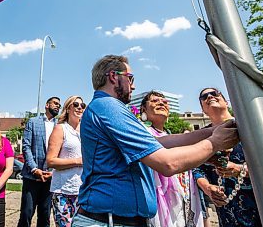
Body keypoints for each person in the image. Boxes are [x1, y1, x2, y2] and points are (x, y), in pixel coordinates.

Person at [73, 55, 239, 227]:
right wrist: (214, 142)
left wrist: (212, 131)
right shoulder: (108, 106)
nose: (134, 86)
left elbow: (161, 142)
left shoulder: (107, 107)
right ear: (114, 76)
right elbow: (167, 163)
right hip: (107, 221)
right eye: (131, 78)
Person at [193, 88, 261, 226]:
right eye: (204, 96)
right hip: (226, 210)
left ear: (226, 102)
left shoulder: (250, 127)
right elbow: (196, 169)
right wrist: (208, 187)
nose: (209, 96)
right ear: (203, 109)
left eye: (215, 93)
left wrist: (240, 169)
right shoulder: (202, 136)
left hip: (260, 205)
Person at [139, 91, 203, 227]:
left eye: (164, 101)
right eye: (155, 101)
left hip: (183, 198)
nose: (161, 102)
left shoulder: (171, 135)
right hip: (159, 201)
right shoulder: (143, 133)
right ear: (143, 109)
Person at [17, 97, 61, 227]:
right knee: (26, 213)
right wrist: (34, 169)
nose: (58, 106)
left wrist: (53, 172)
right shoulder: (33, 122)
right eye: (55, 103)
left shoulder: (60, 126)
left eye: (59, 105)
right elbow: (26, 146)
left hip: (50, 178)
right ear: (47, 105)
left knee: (45, 215)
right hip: (31, 176)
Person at [47, 96, 84, 227]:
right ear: (68, 108)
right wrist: (77, 161)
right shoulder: (60, 129)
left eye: (82, 105)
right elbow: (50, 161)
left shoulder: (86, 131)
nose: (80, 107)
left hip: (83, 191)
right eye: (76, 104)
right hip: (63, 191)